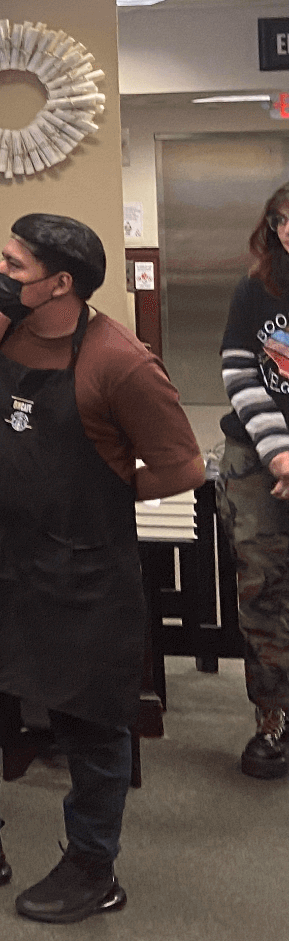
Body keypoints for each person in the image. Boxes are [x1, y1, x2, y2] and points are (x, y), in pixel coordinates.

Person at [0, 214, 203, 923]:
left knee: (88, 719)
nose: (0, 272)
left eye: (15, 265)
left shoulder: (121, 362)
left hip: (79, 566)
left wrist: (103, 484)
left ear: (61, 282)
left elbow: (184, 466)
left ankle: (93, 867)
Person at [217, 184, 289, 780]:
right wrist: (280, 453)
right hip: (256, 457)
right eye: (280, 220)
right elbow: (240, 369)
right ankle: (273, 716)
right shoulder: (256, 288)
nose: (288, 232)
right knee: (262, 589)